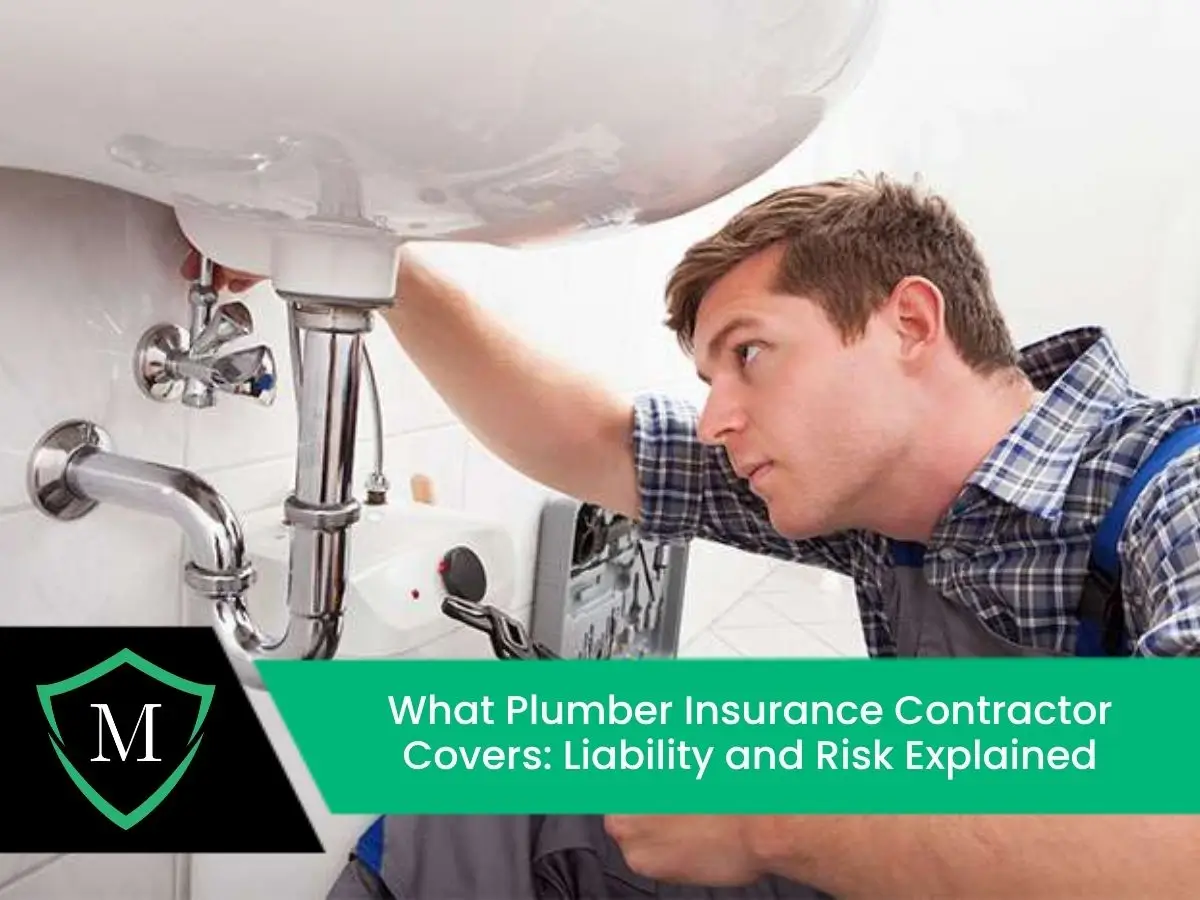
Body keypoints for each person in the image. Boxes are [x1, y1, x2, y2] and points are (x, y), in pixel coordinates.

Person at [185, 173, 1200, 897]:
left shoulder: (1175, 487)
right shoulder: (881, 513)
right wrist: (360, 260)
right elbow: (592, 439)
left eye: (749, 356)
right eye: (710, 380)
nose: (716, 418)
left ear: (910, 324)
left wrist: (774, 818)